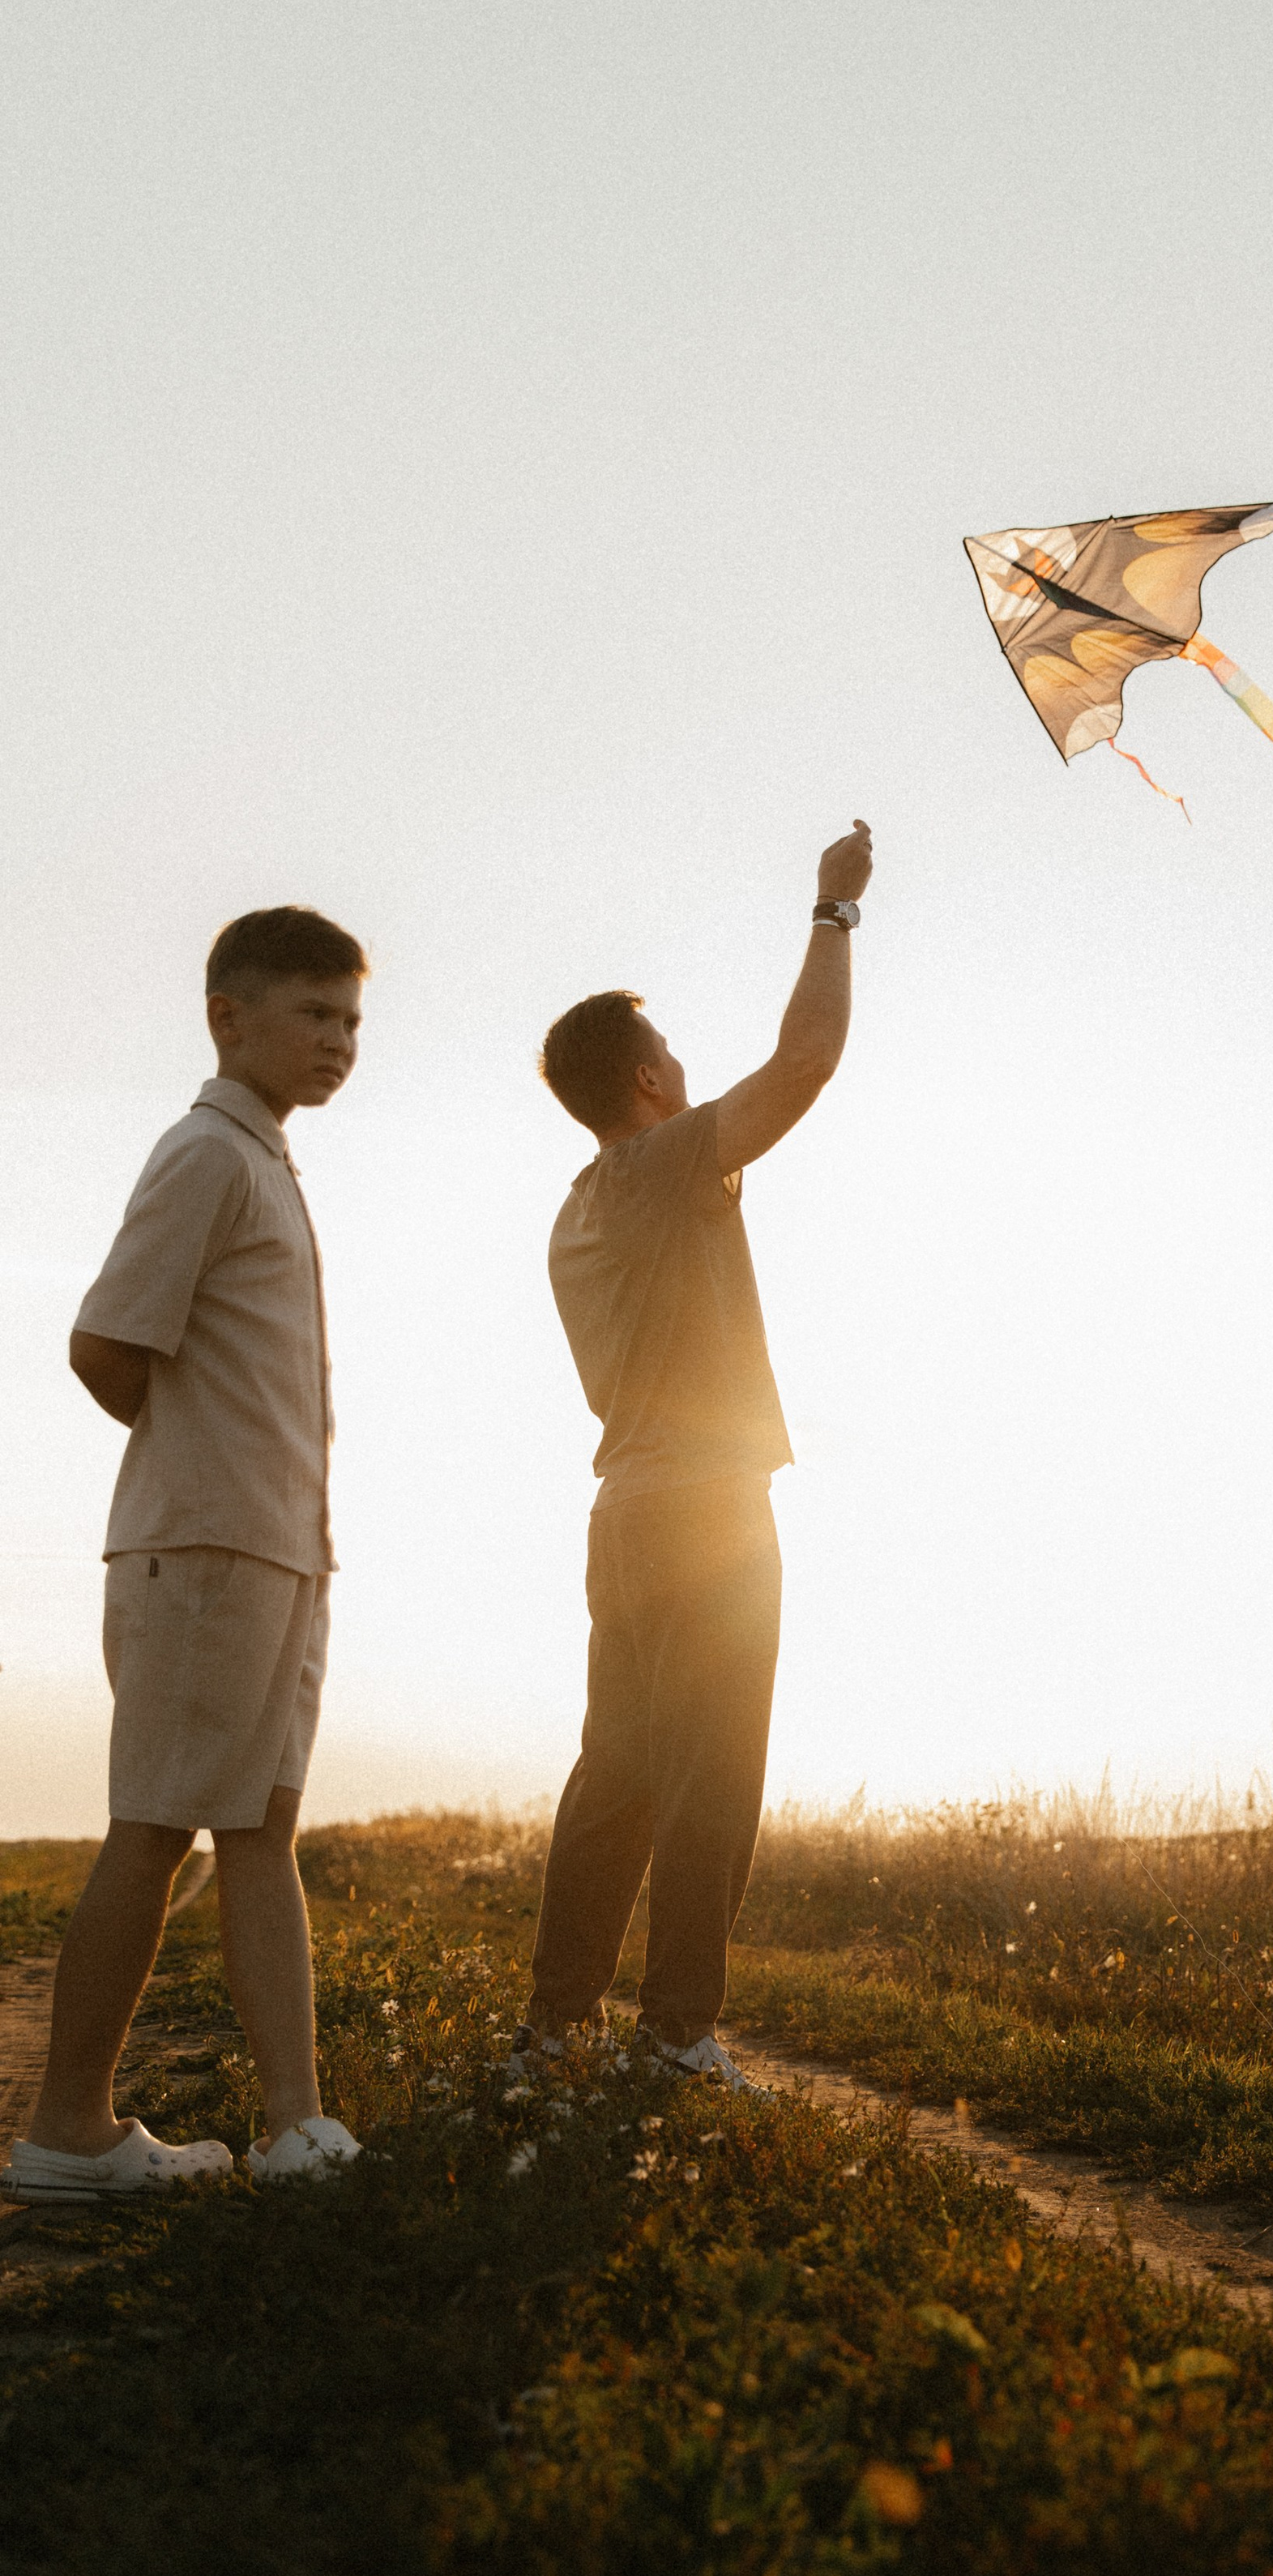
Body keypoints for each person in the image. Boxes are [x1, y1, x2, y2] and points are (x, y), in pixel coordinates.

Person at [4, 908, 370, 2203]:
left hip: (274, 1554)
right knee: (155, 1830)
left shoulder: (267, 1161)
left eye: (351, 1020)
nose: (339, 1040)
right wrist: (201, 1460)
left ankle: (294, 2127)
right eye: (313, 1013)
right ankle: (67, 2130)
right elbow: (106, 1343)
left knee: (261, 1828)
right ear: (228, 1014)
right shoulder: (209, 1154)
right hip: (204, 1547)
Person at [510, 819, 874, 2092]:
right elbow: (808, 1062)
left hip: (624, 1511)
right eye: (670, 1050)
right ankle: (675, 2041)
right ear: (650, 1082)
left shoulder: (579, 1208)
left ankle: (557, 2030)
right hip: (709, 1512)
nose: (685, 1063)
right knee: (714, 1775)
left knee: (615, 1774)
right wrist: (834, 911)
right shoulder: (665, 1169)